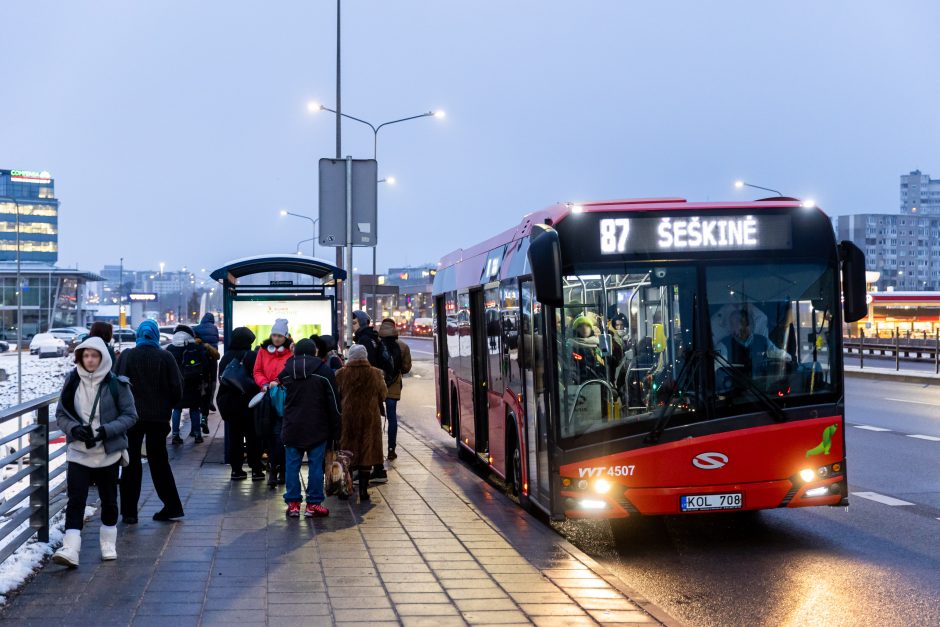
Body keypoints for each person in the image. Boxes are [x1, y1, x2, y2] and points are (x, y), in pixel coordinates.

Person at [52, 337, 138, 567]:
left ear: (103, 358)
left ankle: (108, 543)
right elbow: (60, 414)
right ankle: (71, 548)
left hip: (107, 452)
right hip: (79, 451)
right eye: (86, 355)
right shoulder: (72, 381)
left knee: (109, 499)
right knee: (75, 499)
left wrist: (105, 431)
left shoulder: (117, 384)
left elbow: (130, 416)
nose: (90, 360)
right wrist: (74, 429)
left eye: (94, 355)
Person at [115, 320, 185, 524]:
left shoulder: (127, 356)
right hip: (158, 419)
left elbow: (117, 384)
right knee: (159, 462)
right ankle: (172, 506)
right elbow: (177, 390)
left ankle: (129, 512)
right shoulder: (166, 357)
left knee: (130, 463)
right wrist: (165, 406)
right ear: (155, 335)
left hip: (131, 419)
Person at [278, 339, 341, 517]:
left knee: (291, 465)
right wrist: (337, 428)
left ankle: (293, 504)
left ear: (295, 352)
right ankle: (313, 504)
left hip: (292, 425)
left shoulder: (286, 371)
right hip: (317, 426)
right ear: (315, 352)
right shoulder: (324, 372)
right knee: (315, 466)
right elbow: (334, 403)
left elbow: (279, 387)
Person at [336, 344, 387, 502]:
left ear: (350, 356)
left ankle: (346, 488)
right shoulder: (376, 373)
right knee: (367, 452)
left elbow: (336, 395)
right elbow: (383, 395)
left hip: (347, 418)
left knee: (347, 452)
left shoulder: (341, 374)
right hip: (369, 418)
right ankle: (363, 491)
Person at [217, 327, 265, 481]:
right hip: (251, 403)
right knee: (254, 436)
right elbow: (259, 379)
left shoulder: (226, 358)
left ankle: (236, 470)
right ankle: (256, 469)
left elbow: (222, 379)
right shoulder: (253, 356)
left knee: (235, 437)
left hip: (231, 404)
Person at [253, 318, 294, 487]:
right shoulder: (263, 351)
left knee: (282, 435)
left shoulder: (291, 352)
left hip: (285, 397)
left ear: (285, 336)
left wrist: (279, 381)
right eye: (274, 335)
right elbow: (257, 371)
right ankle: (274, 468)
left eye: (279, 335)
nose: (276, 338)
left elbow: (292, 370)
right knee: (270, 434)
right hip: (267, 396)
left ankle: (281, 469)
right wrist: (264, 384)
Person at [166, 325, 212, 444]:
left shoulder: (170, 348)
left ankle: (175, 435)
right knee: (195, 408)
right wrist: (206, 380)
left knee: (176, 409)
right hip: (194, 382)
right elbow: (205, 365)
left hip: (177, 384)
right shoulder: (196, 347)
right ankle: (197, 434)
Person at [717, 308, 792, 379]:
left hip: (759, 388)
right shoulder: (724, 345)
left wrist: (781, 358)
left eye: (736, 323)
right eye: (732, 324)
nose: (732, 327)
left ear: (746, 324)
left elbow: (784, 356)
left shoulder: (763, 341)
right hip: (735, 387)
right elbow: (719, 371)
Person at [377, 318, 412, 461]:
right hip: (393, 386)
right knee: (392, 417)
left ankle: (375, 450)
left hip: (377, 385)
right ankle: (391, 449)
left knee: (374, 418)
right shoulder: (403, 346)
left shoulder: (376, 345)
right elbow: (406, 368)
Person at [193, 313, 221, 433]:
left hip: (201, 360)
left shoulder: (197, 328)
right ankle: (210, 400)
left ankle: (203, 399)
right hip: (213, 358)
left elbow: (195, 342)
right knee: (213, 380)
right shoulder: (214, 328)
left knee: (202, 383)